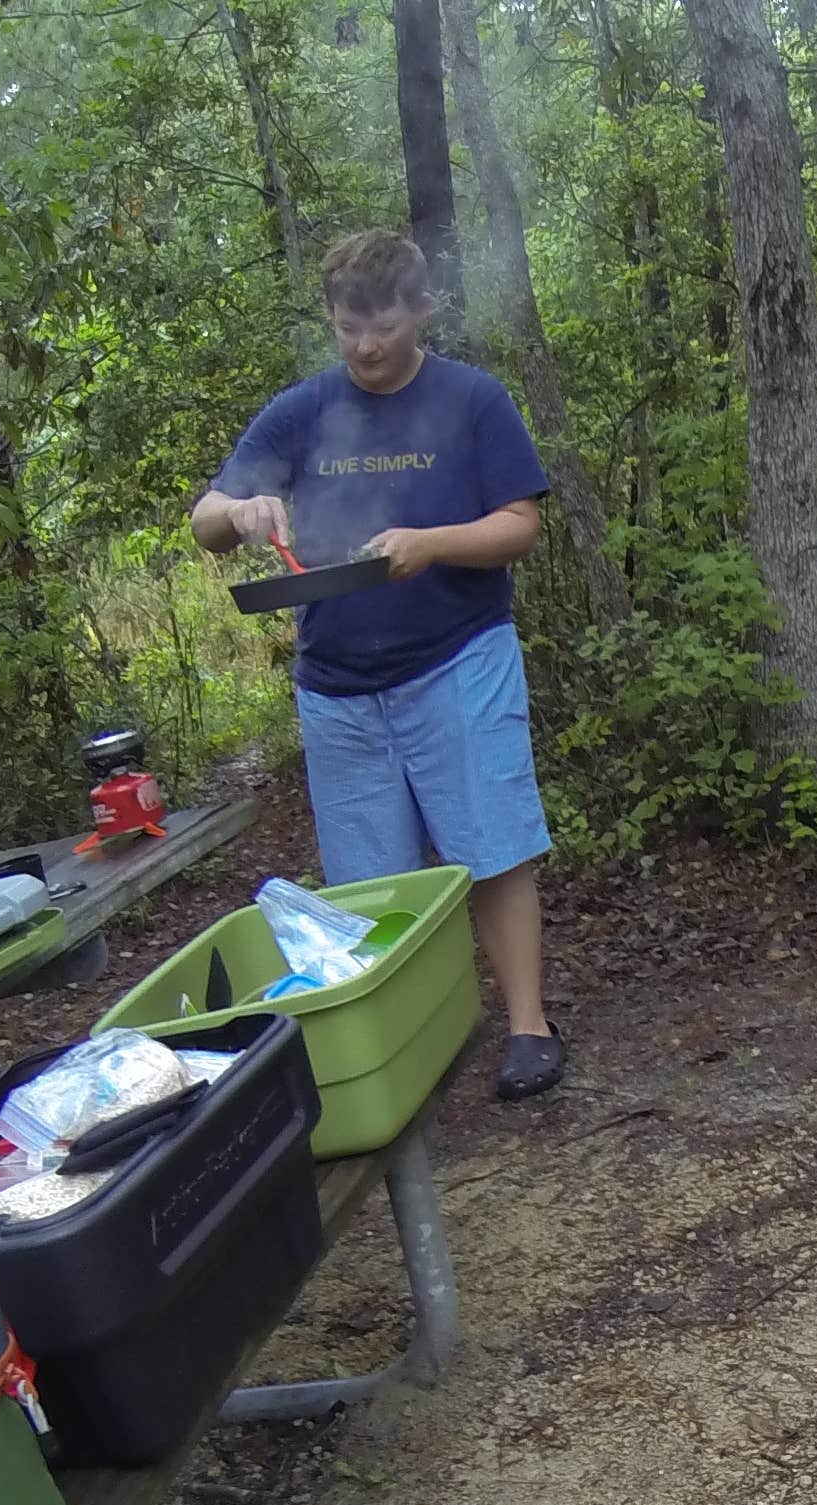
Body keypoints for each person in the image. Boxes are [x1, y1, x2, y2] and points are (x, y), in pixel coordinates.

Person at [193, 231, 570, 1101]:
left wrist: (431, 544)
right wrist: (242, 510)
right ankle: (411, 1044)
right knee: (373, 887)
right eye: (347, 327)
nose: (366, 346)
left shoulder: (473, 400)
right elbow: (206, 518)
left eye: (384, 324)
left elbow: (520, 526)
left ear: (422, 308)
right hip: (338, 687)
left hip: (458, 659)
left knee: (494, 848)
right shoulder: (303, 409)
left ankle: (527, 1027)